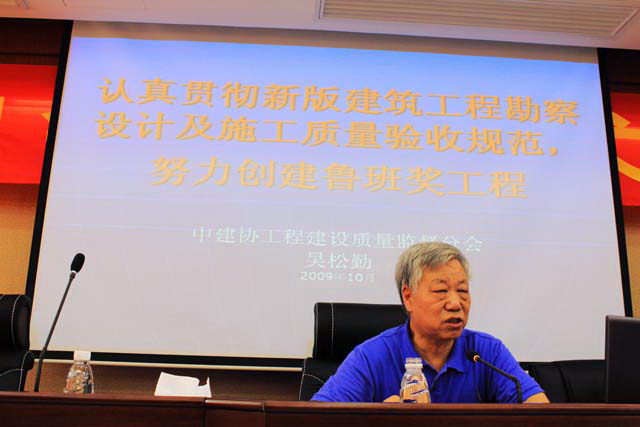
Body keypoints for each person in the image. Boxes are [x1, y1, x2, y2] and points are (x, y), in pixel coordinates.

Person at [312, 242, 549, 403]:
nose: (455, 303)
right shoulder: (372, 356)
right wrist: (379, 420)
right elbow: (316, 419)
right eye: (440, 291)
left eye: (462, 291)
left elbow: (540, 412)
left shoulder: (486, 353)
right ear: (408, 297)